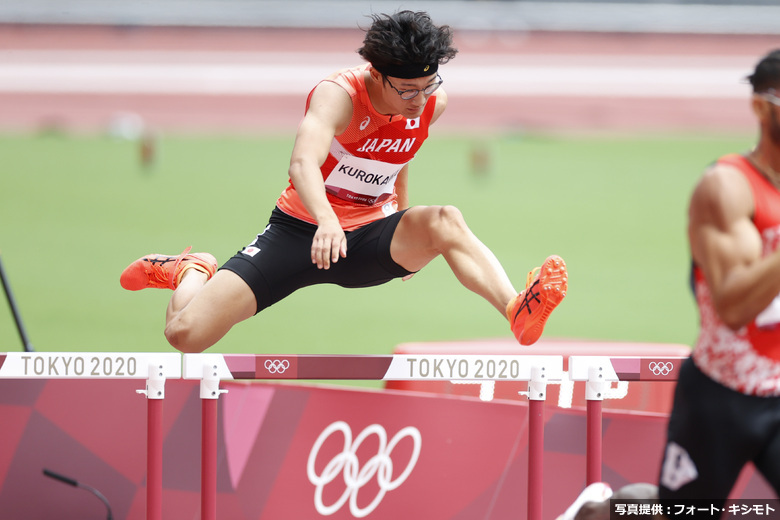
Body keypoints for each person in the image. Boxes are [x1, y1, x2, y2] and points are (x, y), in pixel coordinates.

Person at [119, 10, 568, 354]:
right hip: (300, 232)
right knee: (186, 336)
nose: (420, 99)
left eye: (428, 86)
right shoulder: (339, 95)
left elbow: (399, 158)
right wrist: (327, 220)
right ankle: (192, 269)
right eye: (407, 90)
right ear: (376, 73)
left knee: (445, 220)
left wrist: (402, 215)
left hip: (368, 237)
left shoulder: (432, 103)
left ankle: (517, 309)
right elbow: (301, 164)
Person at [658, 49, 780, 510]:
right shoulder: (727, 188)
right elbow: (732, 307)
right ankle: (599, 511)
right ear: (761, 106)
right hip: (722, 397)